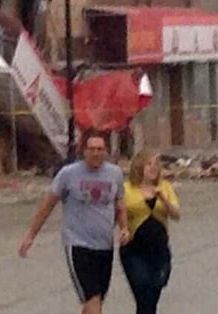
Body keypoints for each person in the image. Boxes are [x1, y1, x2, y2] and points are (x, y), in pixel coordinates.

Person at [19, 129, 130, 314]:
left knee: (95, 302)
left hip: (105, 246)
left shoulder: (114, 174)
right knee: (93, 301)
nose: (96, 153)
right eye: (92, 149)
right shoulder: (68, 174)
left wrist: (124, 228)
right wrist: (30, 236)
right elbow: (47, 205)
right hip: (78, 245)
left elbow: (119, 205)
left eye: (100, 149)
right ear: (83, 150)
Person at [120, 150, 180, 314]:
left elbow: (176, 215)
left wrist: (163, 199)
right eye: (149, 164)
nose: (153, 168)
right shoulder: (127, 189)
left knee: (153, 294)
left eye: (156, 164)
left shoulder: (165, 187)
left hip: (159, 251)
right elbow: (120, 211)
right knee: (143, 293)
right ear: (139, 167)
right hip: (135, 251)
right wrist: (124, 228)